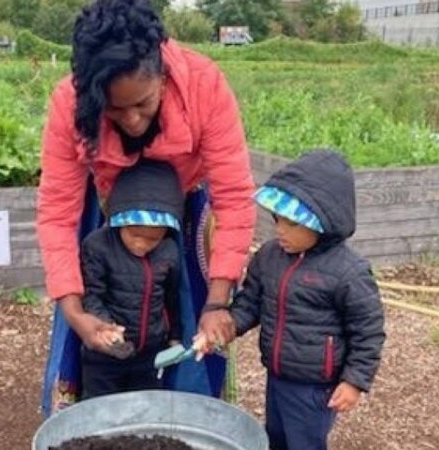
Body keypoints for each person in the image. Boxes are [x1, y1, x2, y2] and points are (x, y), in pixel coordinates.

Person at [39, 0, 256, 415]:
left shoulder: (204, 85)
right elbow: (57, 213)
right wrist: (74, 311)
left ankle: (194, 410)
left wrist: (217, 301)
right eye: (115, 109)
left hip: (186, 205)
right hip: (108, 209)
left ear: (163, 74)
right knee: (99, 313)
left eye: (143, 102)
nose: (133, 120)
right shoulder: (68, 102)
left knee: (190, 314)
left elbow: (233, 199)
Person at [202, 150, 386, 450]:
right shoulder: (270, 257)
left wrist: (354, 381)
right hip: (277, 375)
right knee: (276, 439)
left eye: (292, 224)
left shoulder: (348, 272)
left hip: (315, 387)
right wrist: (230, 324)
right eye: (278, 220)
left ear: (324, 222)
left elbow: (368, 332)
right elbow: (251, 303)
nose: (280, 230)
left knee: (304, 443)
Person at [79, 159, 183, 399]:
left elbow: (172, 297)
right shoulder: (97, 247)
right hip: (105, 350)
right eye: (135, 235)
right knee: (100, 409)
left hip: (150, 352)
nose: (142, 244)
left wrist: (174, 336)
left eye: (153, 239)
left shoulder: (169, 252)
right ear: (119, 220)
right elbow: (91, 295)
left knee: (143, 411)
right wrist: (106, 328)